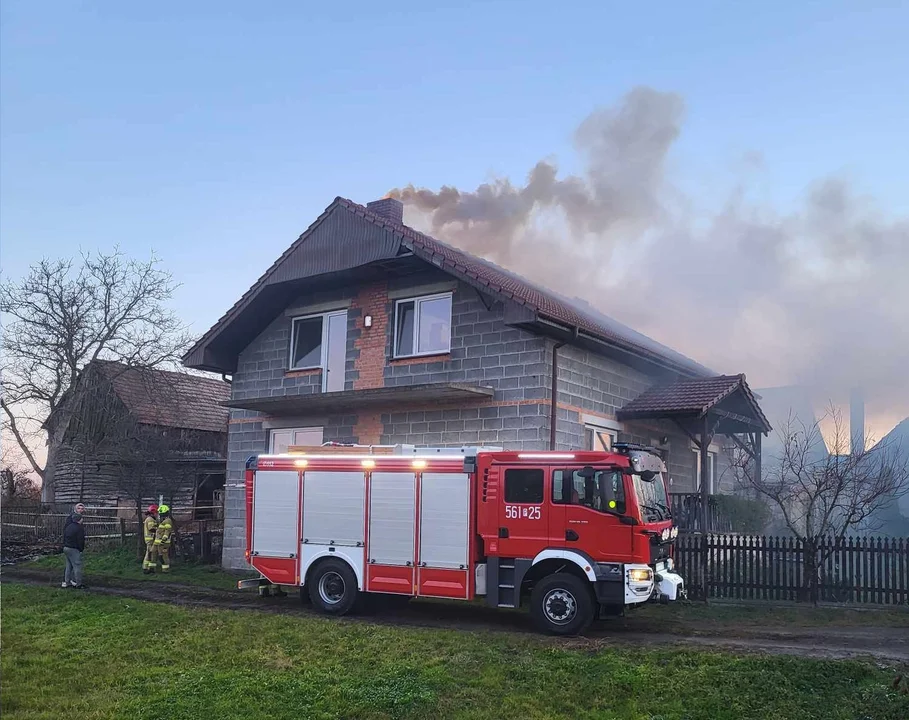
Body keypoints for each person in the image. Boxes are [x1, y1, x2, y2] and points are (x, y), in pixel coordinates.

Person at [62, 512, 86, 589]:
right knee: (77, 566)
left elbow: (64, 537)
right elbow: (80, 540)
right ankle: (78, 584)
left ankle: (67, 582)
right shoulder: (79, 528)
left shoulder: (68, 527)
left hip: (66, 548)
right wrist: (81, 549)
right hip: (74, 549)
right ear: (79, 519)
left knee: (68, 566)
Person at [153, 504, 174, 573]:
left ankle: (166, 570)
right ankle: (160, 569)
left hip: (163, 543)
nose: (160, 514)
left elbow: (167, 531)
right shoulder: (164, 521)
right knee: (159, 555)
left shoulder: (168, 521)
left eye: (160, 513)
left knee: (164, 556)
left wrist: (163, 540)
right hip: (159, 542)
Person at [142, 504, 159, 574]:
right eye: (156, 513)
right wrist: (159, 530)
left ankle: (148, 568)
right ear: (153, 512)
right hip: (151, 539)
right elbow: (151, 529)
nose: (157, 514)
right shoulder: (150, 519)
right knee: (151, 554)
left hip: (151, 539)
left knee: (150, 553)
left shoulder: (150, 519)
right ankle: (148, 568)